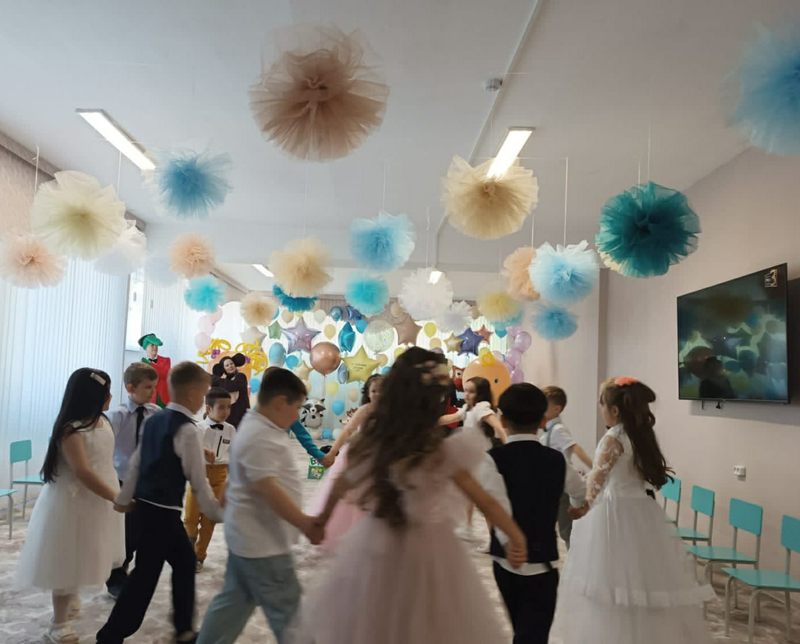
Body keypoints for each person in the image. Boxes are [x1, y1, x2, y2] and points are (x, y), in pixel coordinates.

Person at [295, 348, 528, 644]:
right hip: (428, 551)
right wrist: (515, 537)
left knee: (374, 622)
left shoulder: (375, 442)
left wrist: (323, 519)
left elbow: (343, 481)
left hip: (375, 544)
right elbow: (484, 500)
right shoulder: (438, 451)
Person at [560, 377, 714, 644]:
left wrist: (583, 505)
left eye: (601, 405)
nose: (600, 410)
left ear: (614, 410)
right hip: (642, 511)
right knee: (643, 580)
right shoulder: (641, 435)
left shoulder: (613, 437)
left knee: (610, 580)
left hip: (613, 512)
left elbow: (597, 480)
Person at [96, 362, 224, 644]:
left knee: (179, 563)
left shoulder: (155, 420)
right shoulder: (188, 430)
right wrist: (217, 513)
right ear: (192, 394)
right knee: (147, 576)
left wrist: (124, 498)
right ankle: (113, 635)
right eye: (203, 393)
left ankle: (181, 629)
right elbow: (198, 481)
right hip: (163, 513)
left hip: (146, 507)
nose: (203, 399)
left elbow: (136, 463)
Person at [196, 367, 323, 644]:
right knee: (290, 616)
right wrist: (304, 522)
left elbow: (235, 476)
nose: (297, 416)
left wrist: (222, 505)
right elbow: (265, 486)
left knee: (232, 605)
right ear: (280, 403)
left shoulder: (255, 427)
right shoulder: (259, 435)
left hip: (248, 539)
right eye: (297, 407)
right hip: (264, 544)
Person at [15, 369, 125, 644]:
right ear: (91, 396)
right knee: (66, 559)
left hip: (98, 501)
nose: (111, 396)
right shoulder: (71, 430)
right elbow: (83, 472)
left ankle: (71, 594)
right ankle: (58, 623)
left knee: (87, 551)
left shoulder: (103, 422)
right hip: (73, 503)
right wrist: (115, 497)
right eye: (106, 391)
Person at [481, 383, 586, 644]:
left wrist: (508, 541)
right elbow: (580, 490)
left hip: (505, 563)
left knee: (520, 627)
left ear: (503, 421)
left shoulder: (492, 458)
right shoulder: (556, 460)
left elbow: (495, 503)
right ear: (542, 420)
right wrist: (577, 507)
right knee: (534, 634)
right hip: (543, 563)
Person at [307, 374, 382, 551]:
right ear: (368, 393)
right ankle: (352, 534)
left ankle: (373, 535)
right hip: (360, 456)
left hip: (381, 458)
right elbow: (347, 431)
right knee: (352, 495)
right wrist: (333, 452)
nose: (378, 394)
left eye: (382, 390)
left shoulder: (392, 412)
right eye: (374, 390)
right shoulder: (365, 410)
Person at [105, 362, 161, 599]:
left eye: (154, 386)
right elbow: (103, 447)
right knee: (124, 531)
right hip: (122, 481)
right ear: (131, 388)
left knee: (142, 531)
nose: (153, 392)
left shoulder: (156, 413)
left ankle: (130, 571)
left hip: (147, 482)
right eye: (148, 387)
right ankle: (116, 576)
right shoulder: (116, 416)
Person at [184, 387, 236, 573]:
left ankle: (199, 556)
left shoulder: (231, 430)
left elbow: (234, 455)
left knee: (209, 520)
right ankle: (187, 551)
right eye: (221, 407)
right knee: (190, 517)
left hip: (220, 476)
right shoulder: (197, 428)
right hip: (199, 474)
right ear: (208, 408)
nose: (225, 411)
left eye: (228, 407)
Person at [539, 386, 592, 549]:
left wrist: (594, 467)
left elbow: (575, 448)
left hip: (562, 484)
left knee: (566, 527)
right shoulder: (548, 431)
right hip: (551, 484)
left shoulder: (558, 430)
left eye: (545, 405)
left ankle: (574, 557)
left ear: (557, 409)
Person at [212, 354, 250, 427]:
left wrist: (214, 380)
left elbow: (232, 386)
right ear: (223, 369)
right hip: (229, 417)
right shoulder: (224, 382)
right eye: (227, 365)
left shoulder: (240, 376)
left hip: (242, 416)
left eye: (231, 364)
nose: (230, 366)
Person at [139, 333, 171, 408]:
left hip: (164, 399)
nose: (155, 347)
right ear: (146, 348)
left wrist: (150, 364)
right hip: (149, 399)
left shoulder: (166, 360)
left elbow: (165, 374)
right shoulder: (141, 364)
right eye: (152, 345)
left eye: (156, 345)